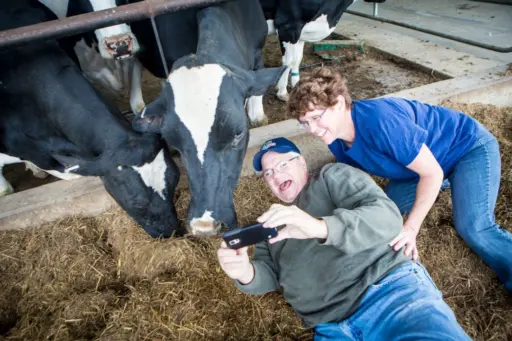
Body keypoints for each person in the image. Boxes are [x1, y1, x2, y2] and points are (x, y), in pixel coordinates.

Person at [217, 137, 470, 340]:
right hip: (330, 326)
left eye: (283, 164)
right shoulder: (271, 221)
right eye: (268, 173)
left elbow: (386, 217)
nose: (275, 175)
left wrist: (319, 227)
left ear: (302, 163)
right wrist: (245, 273)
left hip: (387, 293)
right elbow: (268, 275)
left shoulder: (331, 176)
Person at [286, 67, 512, 293]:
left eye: (316, 118)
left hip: (465, 148)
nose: (312, 130)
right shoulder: (335, 137)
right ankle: (449, 183)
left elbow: (431, 173)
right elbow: (358, 185)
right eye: (304, 123)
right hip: (418, 168)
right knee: (383, 209)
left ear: (337, 103)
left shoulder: (381, 122)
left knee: (474, 227)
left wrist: (411, 228)